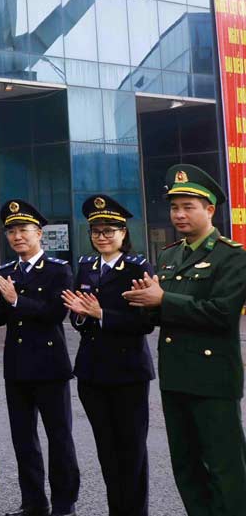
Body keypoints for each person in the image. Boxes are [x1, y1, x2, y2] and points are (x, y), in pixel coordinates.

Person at [123, 164, 246, 516]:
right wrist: (143, 302)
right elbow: (162, 315)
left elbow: (222, 313)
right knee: (187, 467)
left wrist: (163, 300)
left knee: (226, 468)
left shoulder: (232, 256)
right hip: (176, 376)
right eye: (174, 207)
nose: (179, 214)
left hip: (212, 379)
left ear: (210, 210)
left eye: (188, 207)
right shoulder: (169, 255)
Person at [0, 200, 78, 516]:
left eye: (23, 230)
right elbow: (0, 320)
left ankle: (63, 504)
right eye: (12, 231)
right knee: (24, 441)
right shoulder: (6, 271)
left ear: (39, 234)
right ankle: (33, 502)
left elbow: (54, 314)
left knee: (59, 438)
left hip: (49, 366)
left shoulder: (59, 270)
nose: (17, 236)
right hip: (17, 368)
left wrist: (16, 299)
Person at [61, 194, 154, 516]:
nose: (102, 237)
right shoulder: (86, 267)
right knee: (107, 453)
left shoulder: (137, 268)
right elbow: (76, 315)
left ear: (124, 233)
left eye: (110, 230)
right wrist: (83, 315)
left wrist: (102, 314)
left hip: (128, 372)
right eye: (96, 231)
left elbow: (146, 323)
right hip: (92, 372)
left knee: (132, 452)